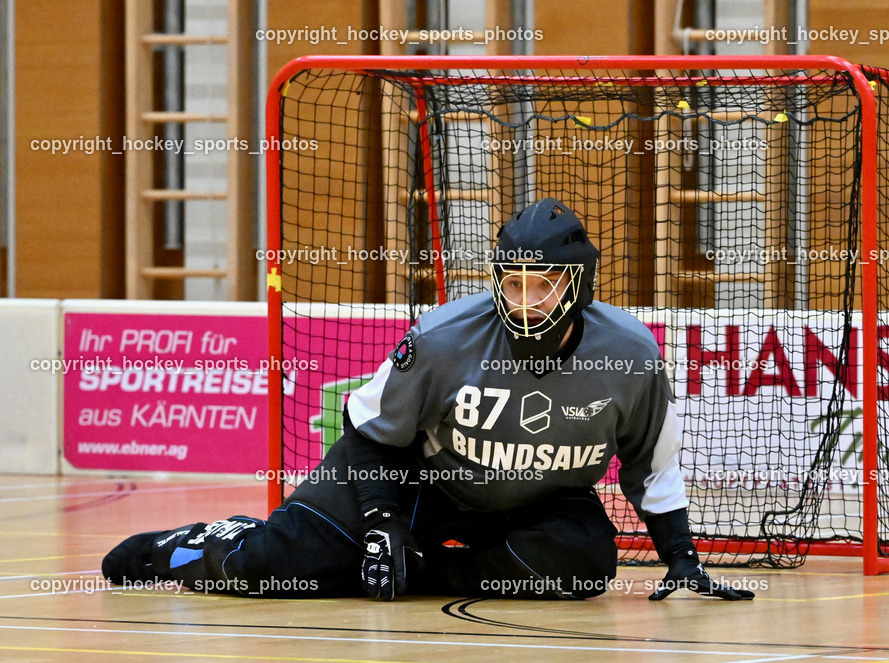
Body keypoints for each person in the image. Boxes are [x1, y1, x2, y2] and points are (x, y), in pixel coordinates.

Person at [102, 197, 754, 602]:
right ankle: (190, 546)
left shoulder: (631, 354)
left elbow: (653, 466)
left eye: (543, 286)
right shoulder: (444, 336)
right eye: (513, 283)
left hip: (539, 501)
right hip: (419, 479)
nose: (524, 302)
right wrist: (383, 526)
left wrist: (682, 560)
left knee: (584, 567)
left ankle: (426, 573)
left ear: (577, 285)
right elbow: (367, 430)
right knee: (274, 567)